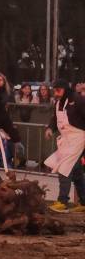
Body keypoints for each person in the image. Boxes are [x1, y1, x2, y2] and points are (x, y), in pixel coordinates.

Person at [44, 81, 85, 212]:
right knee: (77, 171)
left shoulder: (78, 100)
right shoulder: (58, 103)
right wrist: (50, 128)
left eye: (58, 90)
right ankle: (84, 203)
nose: (56, 93)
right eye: (54, 90)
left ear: (65, 89)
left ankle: (63, 201)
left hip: (79, 138)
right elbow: (55, 119)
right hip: (67, 140)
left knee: (64, 167)